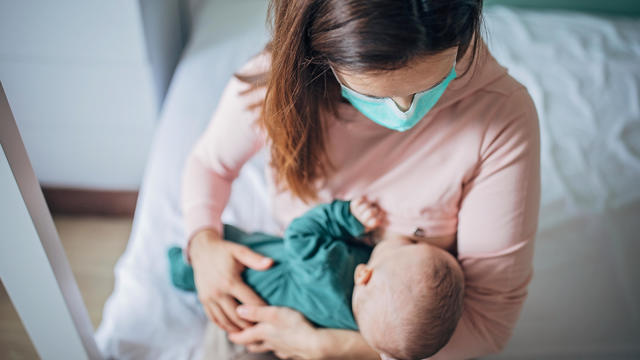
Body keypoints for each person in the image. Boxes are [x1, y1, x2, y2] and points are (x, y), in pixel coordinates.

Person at [181, 0, 541, 358]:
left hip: (403, 336)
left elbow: (487, 322)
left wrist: (334, 348)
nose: (405, 110)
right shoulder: (282, 85)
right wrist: (203, 242)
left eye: (431, 85)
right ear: (322, 56)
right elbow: (211, 165)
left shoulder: (501, 118)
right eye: (375, 94)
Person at [169, 197, 465, 359]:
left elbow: (300, 232)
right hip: (259, 319)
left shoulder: (325, 267)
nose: (409, 240)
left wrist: (347, 216)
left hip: (243, 276)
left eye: (409, 245)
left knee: (202, 259)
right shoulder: (371, 325)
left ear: (363, 274)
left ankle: (176, 263)